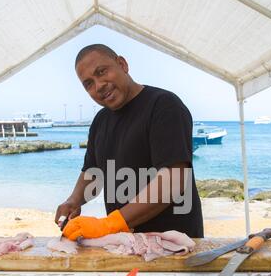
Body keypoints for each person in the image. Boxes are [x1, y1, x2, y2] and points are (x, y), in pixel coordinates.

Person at [55, 44, 203, 240]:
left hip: (175, 245)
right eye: (89, 83)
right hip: (126, 244)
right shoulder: (100, 121)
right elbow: (93, 172)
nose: (99, 85)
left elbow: (173, 181)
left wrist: (109, 224)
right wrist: (74, 200)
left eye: (102, 72)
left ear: (122, 64)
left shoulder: (164, 105)